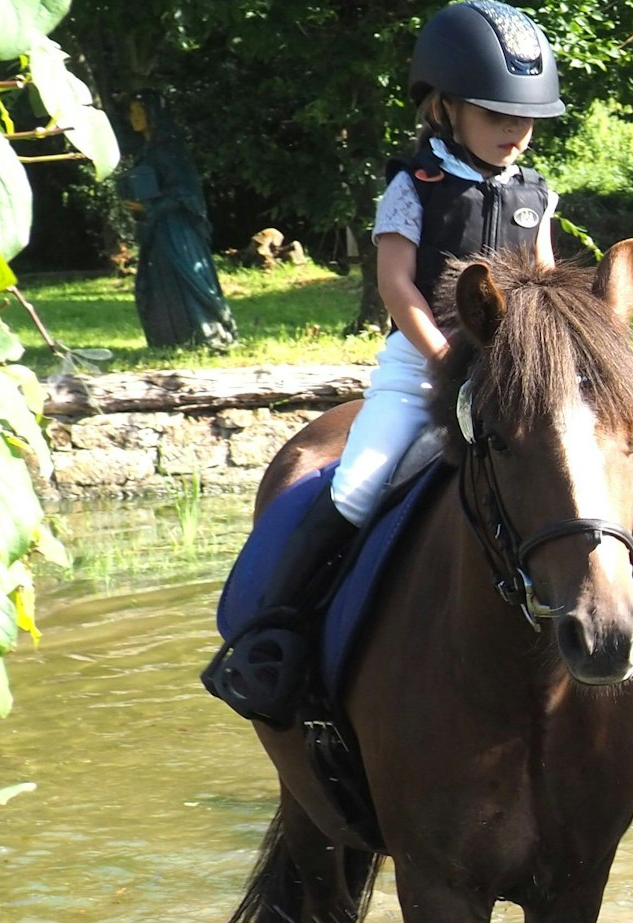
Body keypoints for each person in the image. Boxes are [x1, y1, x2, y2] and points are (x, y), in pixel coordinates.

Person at [205, 0, 565, 727]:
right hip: (419, 363)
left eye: (525, 118)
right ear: (445, 106)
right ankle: (275, 634)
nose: (515, 131)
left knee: (575, 476)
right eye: (498, 114)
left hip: (510, 370)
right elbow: (397, 286)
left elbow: (547, 281)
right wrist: (445, 361)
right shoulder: (414, 186)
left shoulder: (535, 194)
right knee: (361, 485)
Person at [122, 93, 236, 350]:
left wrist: (150, 206)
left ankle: (206, 335)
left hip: (177, 228)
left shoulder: (169, 150)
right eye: (132, 112)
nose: (134, 118)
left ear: (153, 115)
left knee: (186, 278)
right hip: (158, 226)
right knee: (159, 281)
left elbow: (185, 194)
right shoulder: (147, 151)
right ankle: (173, 338)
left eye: (139, 111)